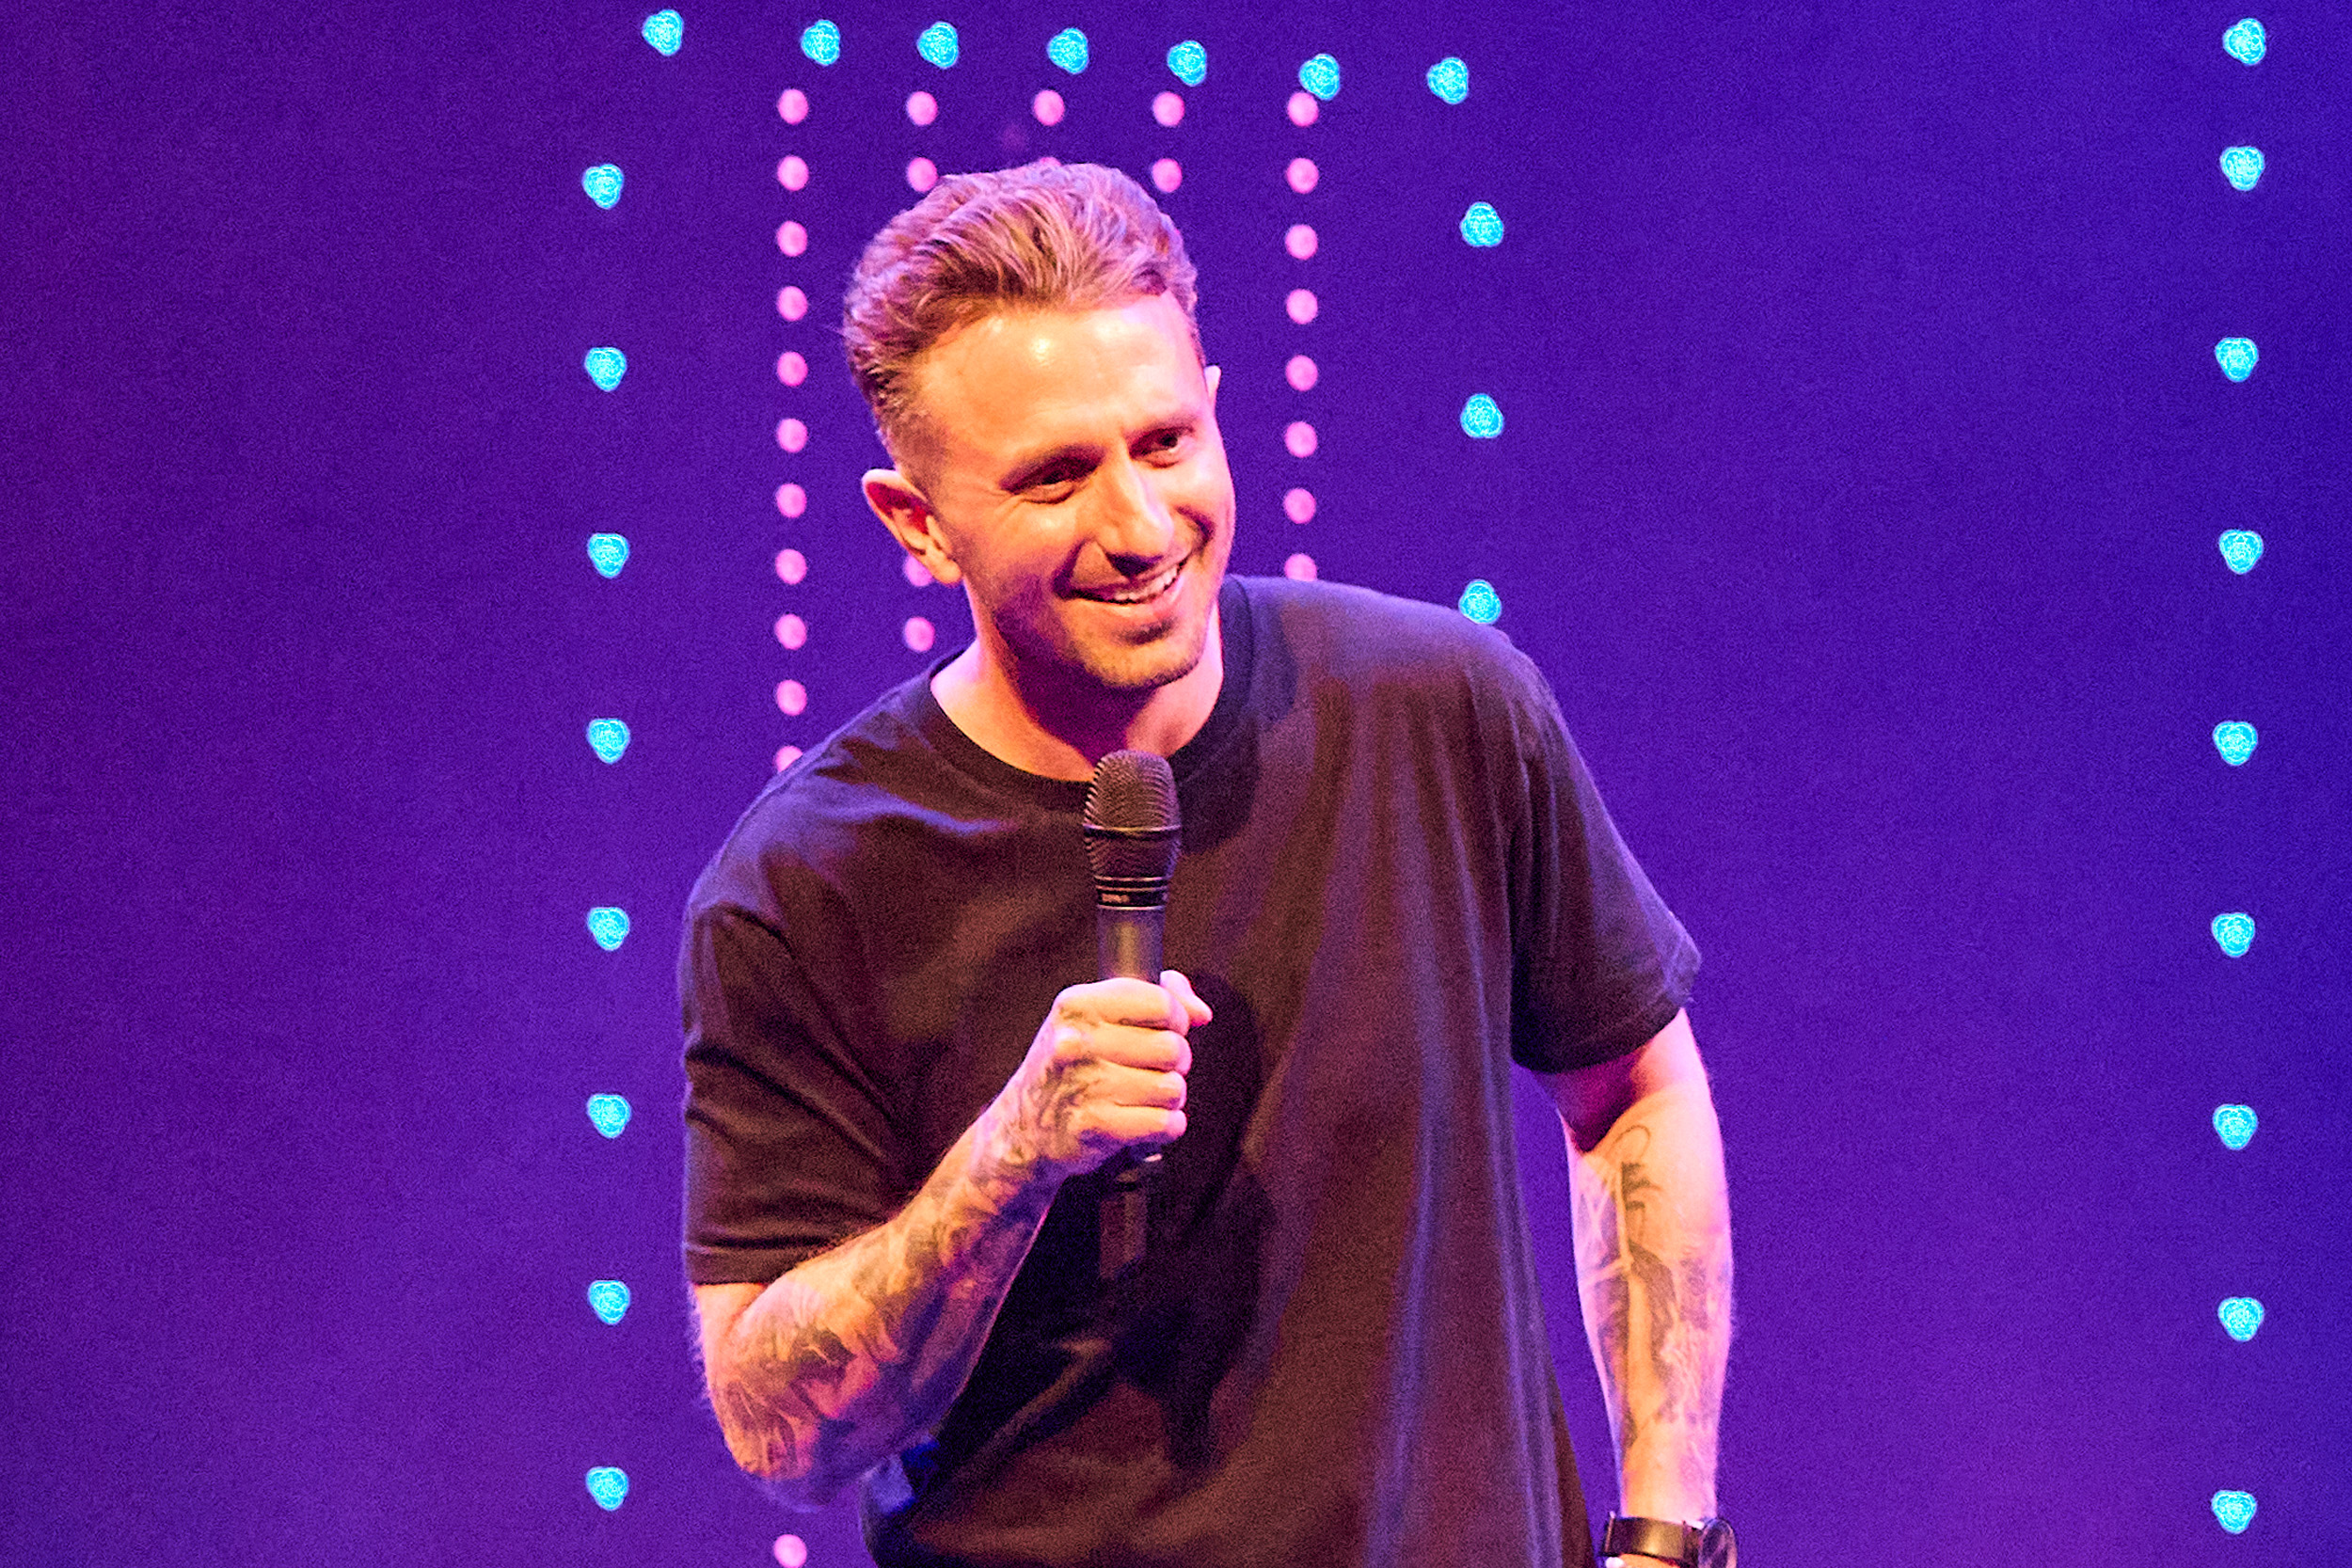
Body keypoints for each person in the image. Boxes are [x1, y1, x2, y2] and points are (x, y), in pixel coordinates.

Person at [681, 162, 1734, 1568]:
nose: (1136, 526)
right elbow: (778, 1432)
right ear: (914, 521)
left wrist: (1670, 1532)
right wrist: (1009, 1160)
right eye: (1055, 477)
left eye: (1165, 442)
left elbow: (1633, 1097)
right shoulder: (806, 884)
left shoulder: (1442, 708)